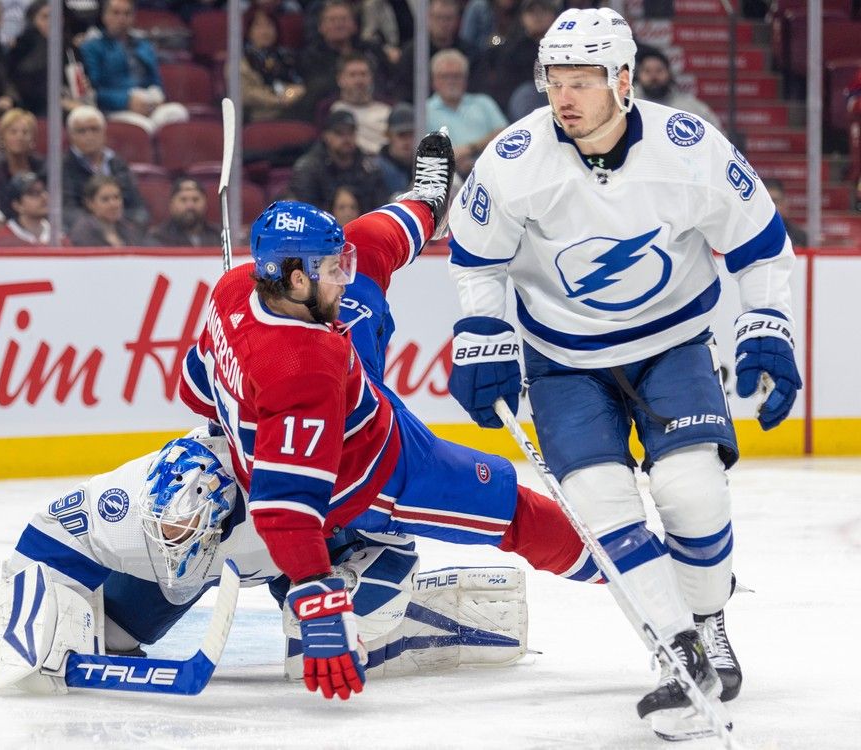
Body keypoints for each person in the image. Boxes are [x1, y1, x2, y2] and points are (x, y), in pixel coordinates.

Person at [446, 7, 800, 740]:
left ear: (624, 80)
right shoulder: (515, 158)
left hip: (671, 345)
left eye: (582, 82)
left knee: (691, 494)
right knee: (603, 511)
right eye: (554, 82)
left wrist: (766, 322)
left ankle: (708, 619)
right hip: (563, 363)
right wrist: (481, 332)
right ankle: (679, 655)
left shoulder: (690, 147)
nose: (564, 98)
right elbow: (476, 259)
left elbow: (761, 244)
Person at [179, 130, 604, 704]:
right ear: (297, 277)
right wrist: (317, 598)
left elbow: (195, 384)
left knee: (369, 266)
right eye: (332, 267)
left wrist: (226, 418)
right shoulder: (304, 367)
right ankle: (623, 568)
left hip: (349, 399)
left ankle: (427, 200)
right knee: (511, 508)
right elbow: (285, 510)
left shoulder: (235, 287)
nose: (343, 274)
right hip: (369, 476)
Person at [0, 427, 540, 696]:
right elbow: (43, 540)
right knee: (107, 638)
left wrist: (350, 578)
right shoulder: (126, 504)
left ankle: (428, 623)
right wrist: (25, 625)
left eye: (184, 533)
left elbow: (387, 514)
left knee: (315, 656)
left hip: (318, 556)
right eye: (166, 533)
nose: (172, 543)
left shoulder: (284, 492)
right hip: (227, 568)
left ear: (222, 513)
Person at [79, 0, 188, 134]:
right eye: (116, 13)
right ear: (104, 16)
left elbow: (156, 81)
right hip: (115, 108)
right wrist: (126, 101)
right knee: (144, 127)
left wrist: (157, 97)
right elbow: (93, 91)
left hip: (147, 102)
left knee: (177, 112)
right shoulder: (92, 47)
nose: (121, 18)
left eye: (127, 13)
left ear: (133, 17)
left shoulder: (144, 45)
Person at [61, 105, 148, 231]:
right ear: (70, 136)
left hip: (122, 231)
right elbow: (68, 211)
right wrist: (101, 227)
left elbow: (138, 208)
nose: (89, 136)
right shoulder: (62, 166)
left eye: (94, 129)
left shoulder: (118, 163)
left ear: (104, 132)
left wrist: (123, 228)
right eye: (81, 131)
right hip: (86, 235)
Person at [288, 109, 389, 213]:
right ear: (326, 136)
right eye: (339, 133)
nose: (346, 138)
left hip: (362, 225)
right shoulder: (308, 168)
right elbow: (305, 211)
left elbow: (380, 207)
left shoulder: (368, 167)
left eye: (350, 132)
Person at [7, 0, 97, 117]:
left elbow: (83, 83)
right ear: (33, 21)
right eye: (45, 17)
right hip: (35, 110)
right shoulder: (22, 49)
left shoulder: (70, 49)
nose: (51, 21)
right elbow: (26, 89)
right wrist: (61, 102)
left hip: (73, 105)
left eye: (56, 16)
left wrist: (84, 86)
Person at [426, 49, 508, 176]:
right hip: (445, 176)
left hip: (491, 170)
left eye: (456, 76)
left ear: (465, 79)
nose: (451, 81)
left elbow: (504, 134)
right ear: (434, 81)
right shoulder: (424, 111)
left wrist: (470, 149)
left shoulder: (484, 103)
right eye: (444, 76)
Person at [391, 0, 477, 103]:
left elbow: (474, 88)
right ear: (428, 19)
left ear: (457, 21)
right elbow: (403, 90)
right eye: (438, 18)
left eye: (448, 19)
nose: (443, 24)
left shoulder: (469, 52)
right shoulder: (412, 52)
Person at [238, 9, 308, 123]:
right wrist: (278, 100)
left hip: (291, 111)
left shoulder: (287, 57)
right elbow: (246, 94)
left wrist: (291, 94)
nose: (265, 32)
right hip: (256, 117)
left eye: (269, 26)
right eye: (258, 27)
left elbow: (299, 84)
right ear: (248, 31)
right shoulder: (240, 62)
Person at [634, 47, 722, 131]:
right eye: (647, 71)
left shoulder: (690, 106)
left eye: (659, 70)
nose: (654, 76)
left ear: (669, 74)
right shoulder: (629, 104)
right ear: (638, 75)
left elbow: (718, 136)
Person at [0, 108, 46, 220]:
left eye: (25, 132)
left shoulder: (42, 166)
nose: (19, 137)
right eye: (13, 132)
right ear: (2, 137)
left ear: (33, 139)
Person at [329, 53, 392, 157]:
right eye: (352, 75)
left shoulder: (387, 110)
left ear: (371, 78)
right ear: (340, 80)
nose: (359, 81)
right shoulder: (335, 111)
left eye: (363, 74)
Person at [69, 173, 145, 247]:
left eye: (117, 197)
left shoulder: (129, 229)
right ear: (90, 204)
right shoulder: (83, 232)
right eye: (105, 199)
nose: (114, 204)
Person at [0, 171, 63, 246]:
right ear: (17, 205)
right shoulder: (2, 241)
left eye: (45, 190)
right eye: (34, 193)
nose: (45, 197)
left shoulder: (60, 238)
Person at [146, 178, 221, 247]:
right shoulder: (158, 238)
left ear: (205, 203)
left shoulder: (219, 236)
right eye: (183, 200)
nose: (190, 206)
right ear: (171, 204)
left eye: (195, 199)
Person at [376, 102, 416, 196]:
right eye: (401, 135)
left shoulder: (424, 166)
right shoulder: (377, 170)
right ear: (389, 136)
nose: (407, 141)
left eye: (411, 134)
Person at [764, 178, 808, 247]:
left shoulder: (800, 238)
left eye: (775, 201)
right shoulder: (748, 235)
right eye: (766, 202)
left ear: (784, 204)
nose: (771, 207)